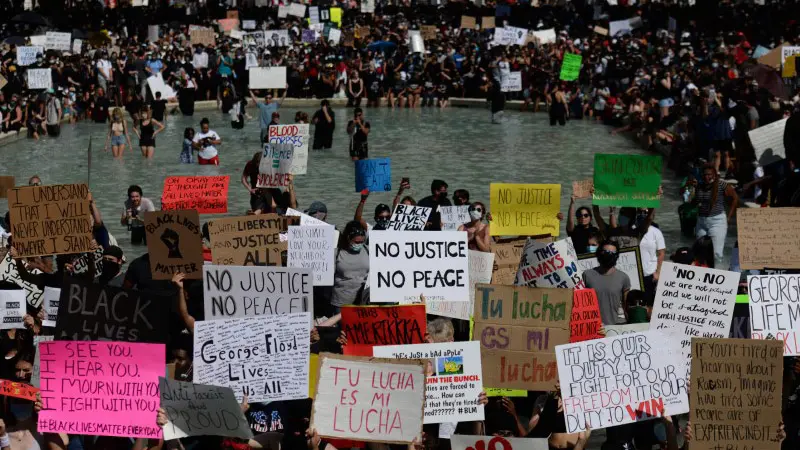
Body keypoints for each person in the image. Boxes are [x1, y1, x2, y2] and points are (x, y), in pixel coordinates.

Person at [687, 165, 738, 264]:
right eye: (705, 174)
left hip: (717, 221)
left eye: (709, 174)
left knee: (716, 253)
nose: (707, 177)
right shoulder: (699, 185)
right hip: (701, 221)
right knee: (700, 252)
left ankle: (718, 273)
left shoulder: (721, 184)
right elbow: (694, 202)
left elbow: (735, 198)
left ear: (714, 174)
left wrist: (729, 217)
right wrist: (689, 187)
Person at [582, 240, 631, 325]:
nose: (609, 255)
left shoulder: (623, 277)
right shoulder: (587, 275)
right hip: (592, 328)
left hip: (615, 327)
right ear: (599, 253)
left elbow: (626, 306)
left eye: (612, 252)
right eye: (606, 252)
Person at [330, 221, 369, 316]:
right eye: (356, 242)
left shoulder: (369, 250)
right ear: (348, 238)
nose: (359, 244)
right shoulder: (336, 253)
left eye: (362, 242)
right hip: (341, 301)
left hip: (363, 300)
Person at [638, 210, 666, 302]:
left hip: (649, 272)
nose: (643, 214)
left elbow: (661, 253)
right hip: (635, 273)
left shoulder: (656, 232)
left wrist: (657, 272)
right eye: (640, 212)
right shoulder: (633, 229)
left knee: (649, 302)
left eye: (646, 212)